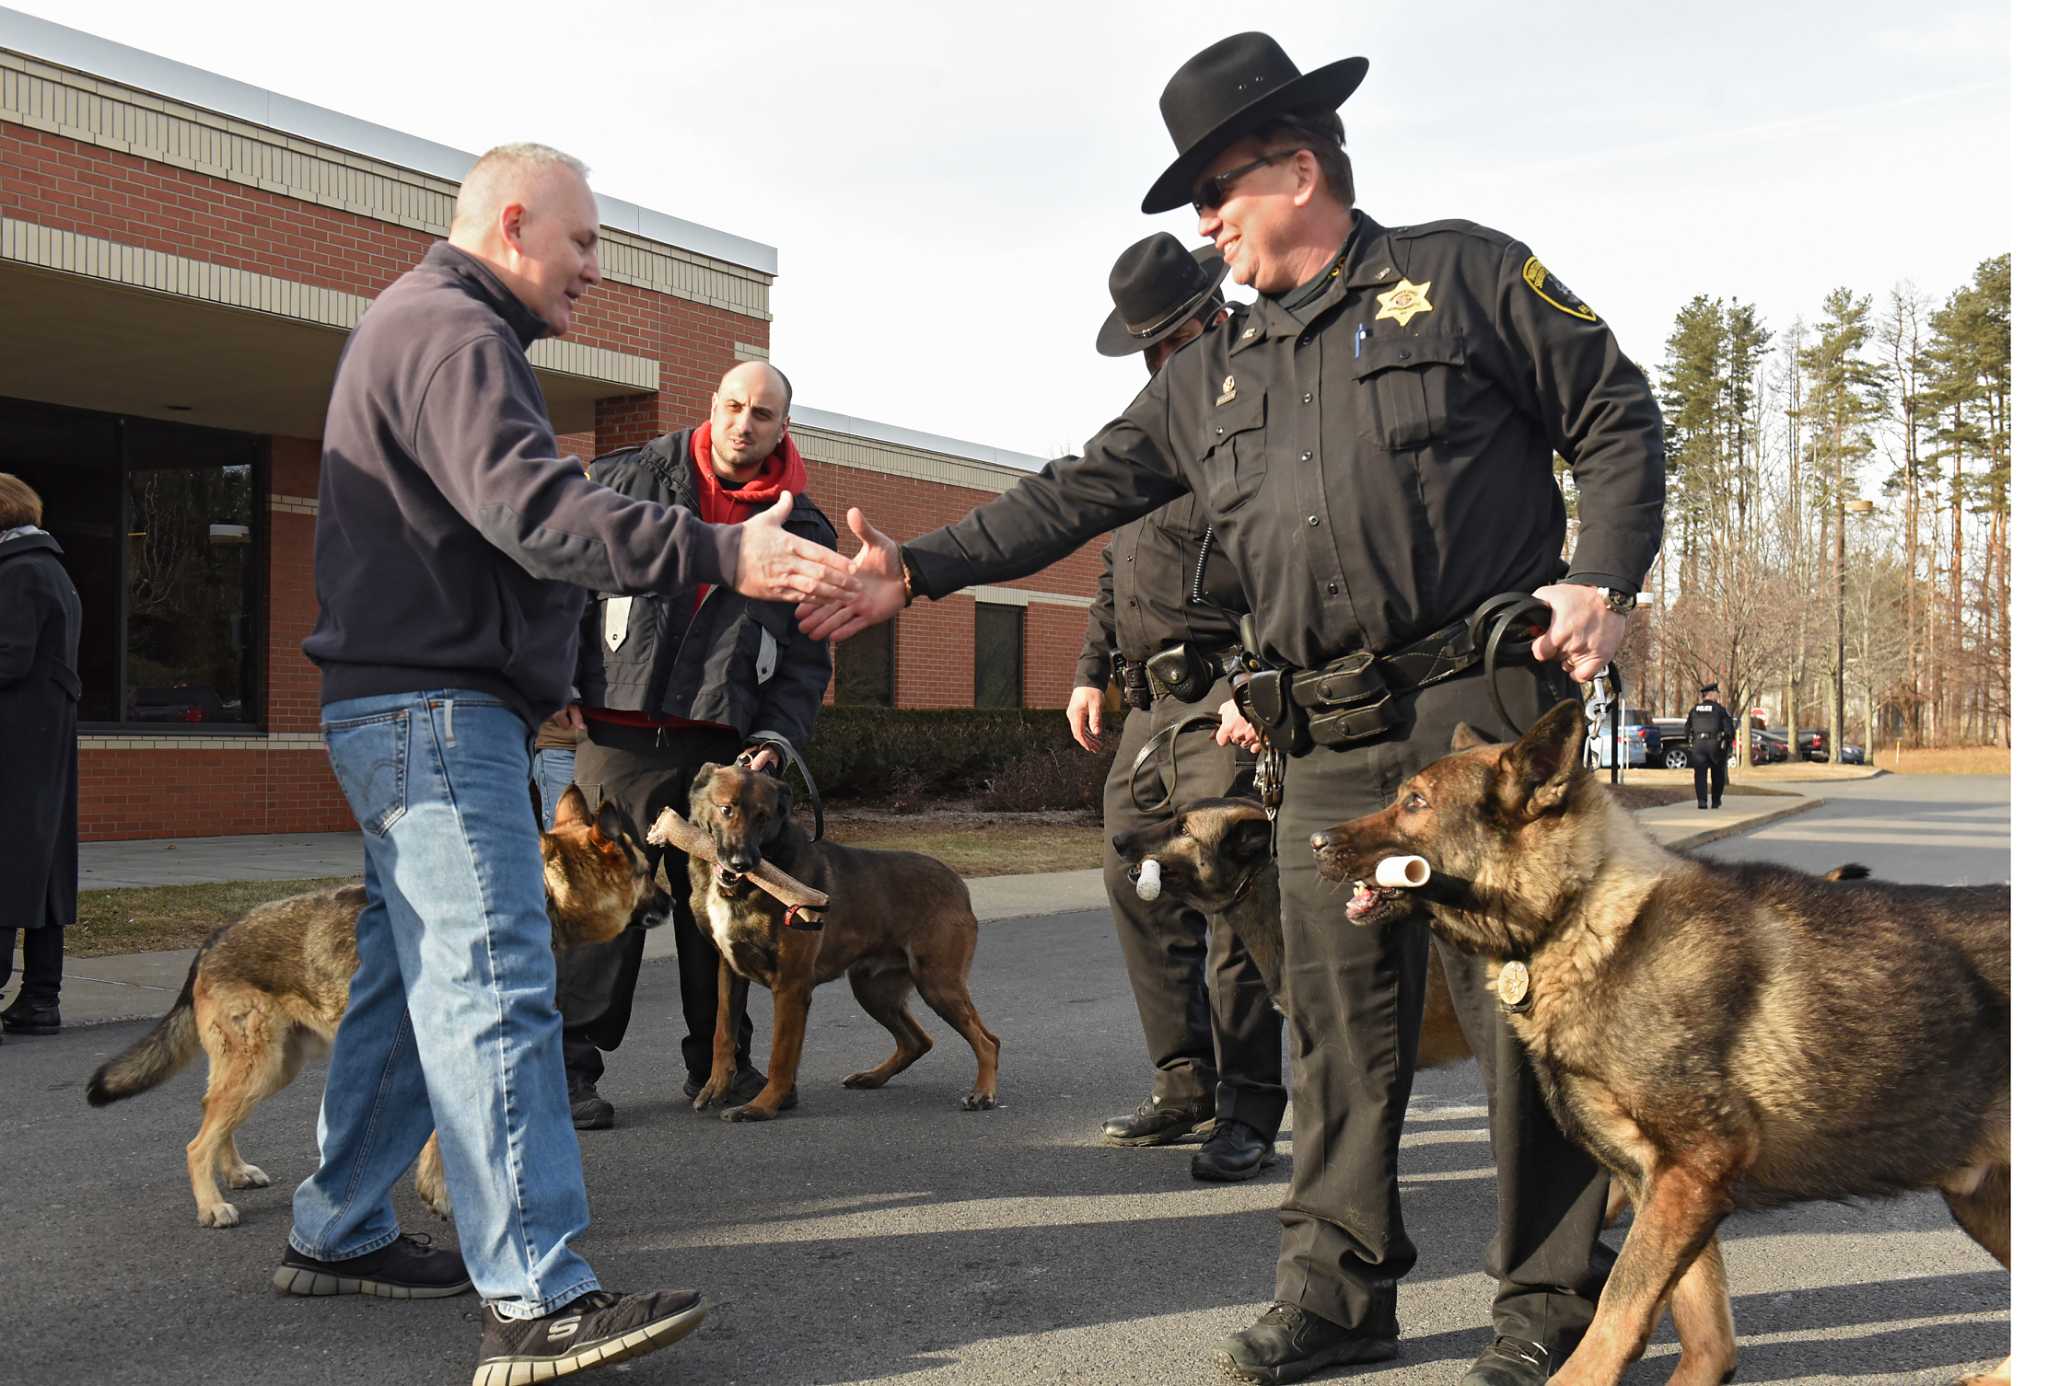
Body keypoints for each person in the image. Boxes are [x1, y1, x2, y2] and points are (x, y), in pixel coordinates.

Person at [796, 34, 1665, 1386]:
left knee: (1522, 1012)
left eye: (1214, 186)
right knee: (1338, 1021)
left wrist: (1601, 573)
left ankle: (1551, 1301)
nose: (1200, 222)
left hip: (1479, 722)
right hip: (1329, 743)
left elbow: (1614, 410)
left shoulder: (1464, 275)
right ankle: (1337, 1290)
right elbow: (1071, 493)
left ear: (1298, 164)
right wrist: (913, 567)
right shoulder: (1208, 380)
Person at [294, 142, 853, 1383]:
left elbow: (501, 525)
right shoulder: (454, 333)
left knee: (404, 974)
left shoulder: (424, 324)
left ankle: (336, 1227)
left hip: (408, 708)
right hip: (432, 714)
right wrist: (723, 555)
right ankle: (537, 1297)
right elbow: (534, 512)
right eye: (585, 242)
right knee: (495, 979)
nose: (596, 268)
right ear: (511, 225)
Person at [555, 360, 835, 1129]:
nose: (746, 423)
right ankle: (570, 1067)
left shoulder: (804, 529)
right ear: (712, 406)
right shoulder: (623, 478)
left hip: (725, 753)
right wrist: (563, 677)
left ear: (784, 427)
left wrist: (774, 741)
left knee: (720, 903)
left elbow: (806, 662)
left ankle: (720, 1060)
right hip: (620, 731)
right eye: (735, 407)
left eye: (765, 414)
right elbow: (564, 585)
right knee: (600, 896)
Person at [1069, 234, 1284, 1182]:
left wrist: (1261, 682)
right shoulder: (1151, 426)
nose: (1162, 364)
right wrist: (1090, 669)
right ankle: (1184, 1082)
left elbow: (1298, 563)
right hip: (1152, 706)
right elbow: (1116, 563)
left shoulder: (1262, 414)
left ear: (1213, 317)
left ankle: (1247, 1108)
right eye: (1149, 351)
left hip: (1229, 690)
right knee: (1133, 871)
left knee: (1231, 892)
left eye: (1173, 343)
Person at [0, 473, 82, 1043]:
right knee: (44, 868)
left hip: (14, 742)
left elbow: (9, 658)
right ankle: (40, 998)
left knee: (8, 863)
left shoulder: (20, 571)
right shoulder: (50, 569)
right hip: (44, 740)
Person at [1685, 683, 1736, 809]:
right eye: (1717, 693)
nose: (1718, 695)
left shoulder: (1694, 709)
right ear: (1711, 694)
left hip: (1698, 745)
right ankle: (1715, 800)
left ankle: (1702, 801)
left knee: (1700, 774)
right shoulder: (1720, 710)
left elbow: (1686, 729)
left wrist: (1691, 741)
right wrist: (1727, 743)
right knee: (1718, 773)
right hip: (1715, 744)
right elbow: (1729, 730)